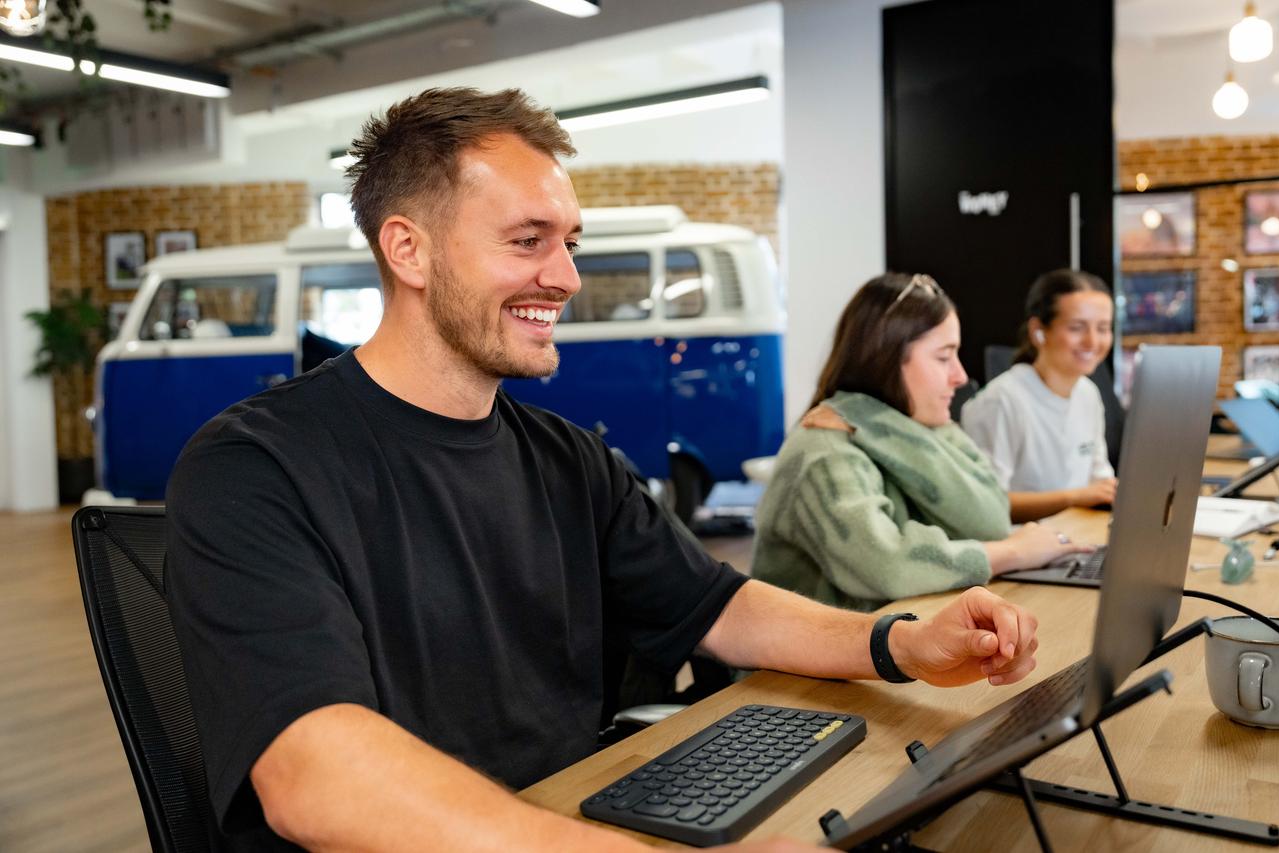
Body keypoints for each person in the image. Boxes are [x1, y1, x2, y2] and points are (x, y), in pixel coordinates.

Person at [166, 88, 1043, 853]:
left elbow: (719, 605)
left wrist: (899, 642)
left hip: (564, 819)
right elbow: (314, 776)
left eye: (570, 241)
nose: (568, 275)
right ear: (409, 251)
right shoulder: (254, 467)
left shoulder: (564, 456)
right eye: (527, 240)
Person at [752, 274, 1092, 614]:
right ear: (885, 359)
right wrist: (1014, 552)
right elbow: (887, 567)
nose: (960, 375)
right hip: (804, 665)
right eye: (944, 358)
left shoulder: (919, 427)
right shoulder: (824, 448)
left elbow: (990, 518)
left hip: (887, 646)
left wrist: (875, 424)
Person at [961, 269, 1117, 522]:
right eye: (1077, 328)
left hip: (1076, 536)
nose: (1093, 341)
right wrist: (1074, 497)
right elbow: (987, 503)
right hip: (1023, 548)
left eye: (1103, 328)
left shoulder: (1088, 394)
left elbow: (1098, 480)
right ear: (1038, 331)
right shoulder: (1001, 400)